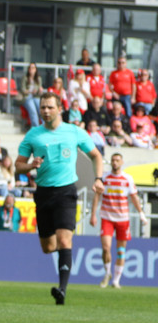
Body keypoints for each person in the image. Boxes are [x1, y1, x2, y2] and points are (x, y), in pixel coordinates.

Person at [16, 92, 104, 306]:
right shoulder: (33, 135)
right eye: (43, 107)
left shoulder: (74, 132)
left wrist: (98, 178)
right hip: (43, 193)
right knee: (48, 247)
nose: (46, 111)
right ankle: (65, 255)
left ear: (60, 109)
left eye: (50, 107)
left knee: (65, 240)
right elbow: (18, 165)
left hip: (66, 191)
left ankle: (62, 290)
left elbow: (96, 155)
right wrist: (30, 166)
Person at [90, 153, 147, 289]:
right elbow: (97, 196)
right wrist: (93, 215)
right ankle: (107, 273)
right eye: (113, 160)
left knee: (121, 251)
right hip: (107, 217)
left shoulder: (127, 179)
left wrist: (141, 213)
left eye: (117, 160)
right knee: (106, 248)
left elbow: (134, 197)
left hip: (123, 219)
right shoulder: (104, 178)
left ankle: (116, 280)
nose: (115, 162)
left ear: (122, 162)